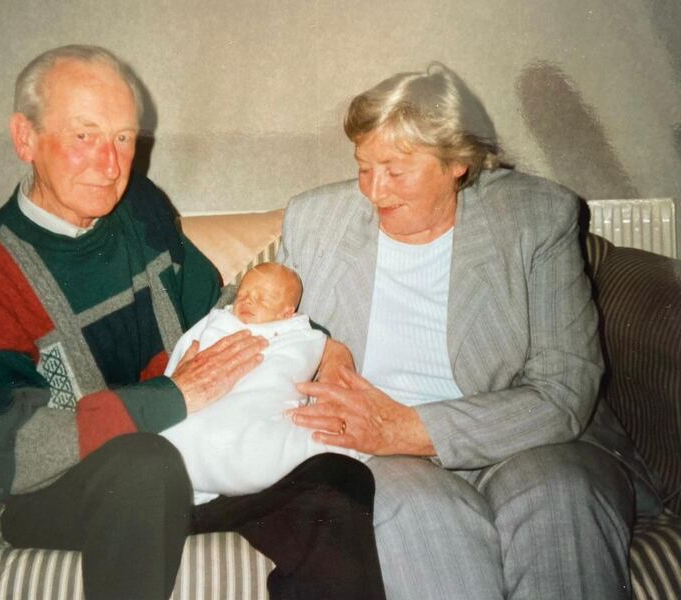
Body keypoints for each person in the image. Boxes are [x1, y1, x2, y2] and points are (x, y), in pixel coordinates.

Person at [0, 44, 385, 600]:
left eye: (124, 138)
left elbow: (225, 306)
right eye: (85, 136)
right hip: (67, 490)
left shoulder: (141, 208)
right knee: (144, 464)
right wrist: (170, 397)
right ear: (24, 138)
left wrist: (318, 343)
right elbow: (6, 453)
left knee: (336, 478)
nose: (111, 165)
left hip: (189, 464)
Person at [279, 63, 663, 600]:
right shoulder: (314, 220)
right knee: (424, 517)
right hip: (381, 457)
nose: (373, 191)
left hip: (530, 442)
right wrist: (318, 345)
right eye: (364, 167)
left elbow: (564, 390)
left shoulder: (535, 216)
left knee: (561, 500)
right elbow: (255, 326)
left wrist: (412, 428)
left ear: (458, 161)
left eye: (395, 169)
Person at [162, 262, 363, 504]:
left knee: (285, 448)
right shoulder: (217, 321)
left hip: (257, 425)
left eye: (263, 298)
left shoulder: (302, 337)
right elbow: (182, 357)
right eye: (243, 294)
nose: (247, 301)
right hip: (201, 414)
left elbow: (299, 368)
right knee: (171, 438)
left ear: (287, 313)